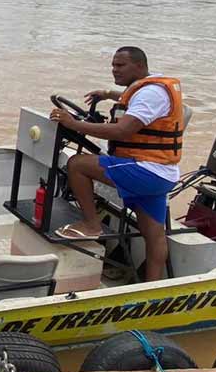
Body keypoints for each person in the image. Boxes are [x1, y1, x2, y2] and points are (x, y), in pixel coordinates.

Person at [49, 46, 184, 282]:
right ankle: (151, 289)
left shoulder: (150, 94)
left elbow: (122, 130)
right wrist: (107, 94)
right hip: (163, 173)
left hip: (146, 171)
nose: (114, 70)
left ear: (140, 66)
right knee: (154, 236)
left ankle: (92, 225)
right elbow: (131, 97)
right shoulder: (148, 85)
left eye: (120, 66)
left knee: (77, 164)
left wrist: (74, 124)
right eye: (113, 65)